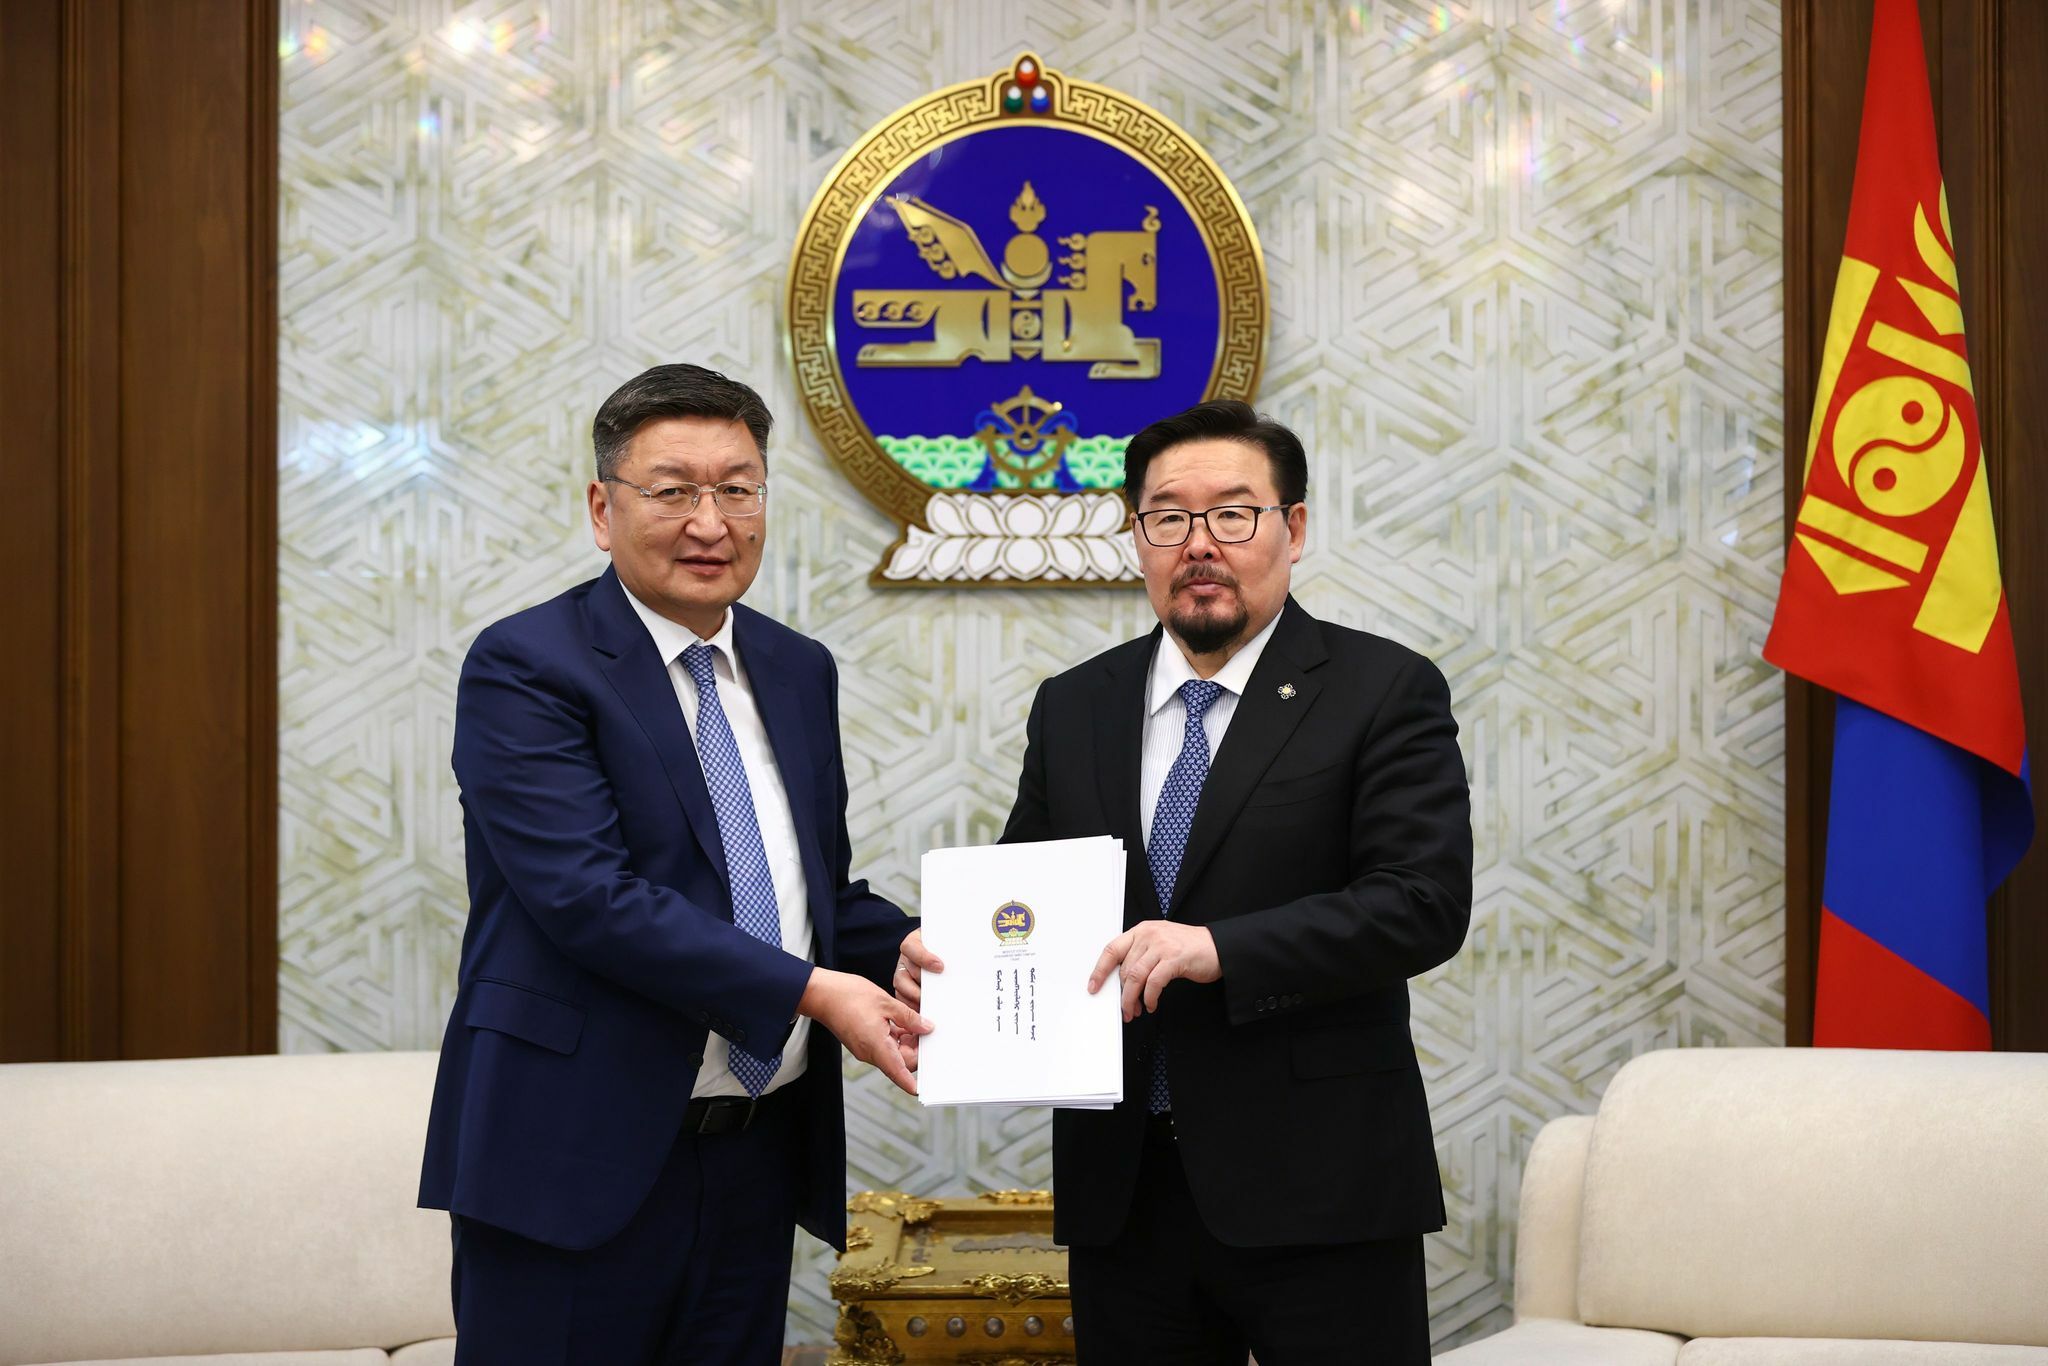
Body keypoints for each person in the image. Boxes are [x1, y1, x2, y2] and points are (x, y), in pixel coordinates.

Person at [897, 399, 1472, 1364]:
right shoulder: (1076, 704)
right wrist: (946, 955)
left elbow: (1421, 904)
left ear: (1293, 528)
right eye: (1168, 517)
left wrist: (1219, 948)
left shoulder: (1381, 689)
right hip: (1126, 1197)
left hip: (1321, 1189)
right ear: (1138, 537)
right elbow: (1026, 895)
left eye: (1233, 514)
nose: (1199, 544)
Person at [419, 364, 931, 1365]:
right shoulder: (528, 665)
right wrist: (817, 992)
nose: (710, 521)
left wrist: (909, 950)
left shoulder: (796, 667)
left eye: (738, 488)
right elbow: (589, 898)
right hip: (572, 1157)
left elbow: (809, 891)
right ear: (601, 509)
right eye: (672, 490)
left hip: (753, 1157)